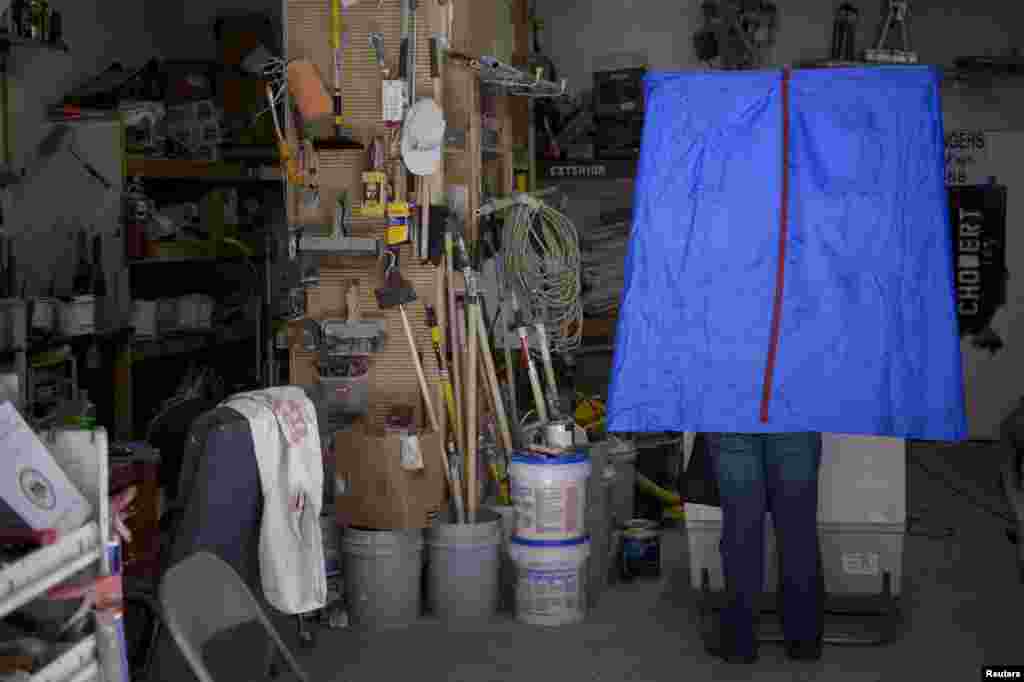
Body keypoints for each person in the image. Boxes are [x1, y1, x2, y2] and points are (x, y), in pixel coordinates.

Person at [705, 432, 825, 664]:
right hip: (795, 416)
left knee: (741, 530)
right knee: (798, 530)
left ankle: (739, 642)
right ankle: (804, 640)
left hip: (732, 415)